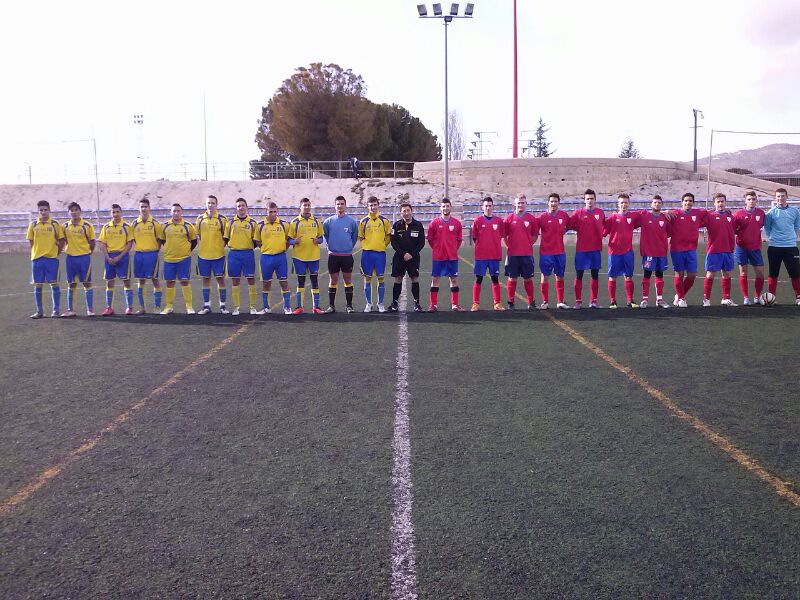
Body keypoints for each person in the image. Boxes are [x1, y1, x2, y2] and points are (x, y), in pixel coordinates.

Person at [668, 192, 708, 308]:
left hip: (691, 249)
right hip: (676, 249)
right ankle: (681, 299)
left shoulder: (698, 213)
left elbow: (710, 212)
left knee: (692, 275)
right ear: (682, 202)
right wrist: (665, 212)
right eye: (685, 201)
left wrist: (727, 212)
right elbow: (663, 215)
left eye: (690, 201)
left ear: (693, 203)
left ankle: (679, 295)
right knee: (679, 273)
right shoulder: (675, 213)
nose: (688, 203)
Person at [27, 200, 65, 319]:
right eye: (41, 210)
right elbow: (31, 241)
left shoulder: (55, 224)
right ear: (38, 211)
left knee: (54, 284)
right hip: (37, 259)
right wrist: (37, 252)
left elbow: (61, 240)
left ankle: (56, 311)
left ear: (49, 210)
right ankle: (39, 311)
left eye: (45, 210)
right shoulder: (33, 225)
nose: (43, 212)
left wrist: (56, 253)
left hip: (51, 259)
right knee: (38, 285)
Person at [567, 189, 605, 308]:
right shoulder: (577, 213)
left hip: (595, 249)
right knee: (579, 275)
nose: (590, 201)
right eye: (587, 199)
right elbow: (569, 226)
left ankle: (593, 301)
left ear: (595, 200)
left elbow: (605, 225)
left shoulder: (600, 212)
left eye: (592, 198)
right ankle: (578, 301)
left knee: (595, 275)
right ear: (584, 200)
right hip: (581, 250)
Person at [603, 193, 641, 308]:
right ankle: (613, 301)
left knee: (628, 276)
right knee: (612, 276)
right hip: (614, 252)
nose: (624, 205)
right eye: (621, 203)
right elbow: (603, 232)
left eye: (626, 203)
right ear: (618, 204)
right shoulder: (612, 218)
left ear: (629, 204)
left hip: (628, 252)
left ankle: (630, 300)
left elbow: (646, 214)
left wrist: (664, 212)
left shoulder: (633, 216)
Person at [763, 187, 800, 304]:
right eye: (778, 196)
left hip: (791, 247)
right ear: (775, 198)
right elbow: (767, 229)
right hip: (774, 247)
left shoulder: (795, 211)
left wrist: (789, 237)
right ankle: (771, 298)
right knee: (773, 273)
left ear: (786, 197)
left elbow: (796, 226)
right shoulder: (770, 213)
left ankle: (798, 297)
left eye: (782, 196)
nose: (780, 198)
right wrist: (774, 238)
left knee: (795, 273)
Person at [288, 197, 324, 314]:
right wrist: (294, 242)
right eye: (305, 205)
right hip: (299, 257)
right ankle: (299, 307)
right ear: (300, 207)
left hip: (314, 257)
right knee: (300, 281)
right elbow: (289, 240)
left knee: (314, 281)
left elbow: (321, 238)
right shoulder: (294, 222)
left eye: (308, 205)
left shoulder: (317, 221)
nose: (307, 207)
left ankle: (316, 307)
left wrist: (317, 241)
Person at [322, 195, 358, 313]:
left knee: (347, 280)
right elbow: (326, 236)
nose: (340, 206)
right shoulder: (328, 222)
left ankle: (349, 306)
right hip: (333, 256)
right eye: (338, 204)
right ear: (335, 206)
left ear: (346, 206)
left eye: (342, 204)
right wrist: (331, 248)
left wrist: (347, 248)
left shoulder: (352, 222)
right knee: (333, 281)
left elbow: (354, 238)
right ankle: (331, 306)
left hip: (347, 256)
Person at [503, 193, 539, 310]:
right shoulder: (508, 218)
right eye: (518, 203)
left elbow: (534, 235)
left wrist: (528, 244)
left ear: (526, 204)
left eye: (522, 203)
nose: (520, 205)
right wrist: (511, 246)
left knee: (528, 278)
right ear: (515, 204)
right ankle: (511, 302)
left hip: (527, 254)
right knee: (512, 278)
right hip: (512, 254)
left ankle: (530, 302)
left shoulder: (531, 219)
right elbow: (504, 236)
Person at [255, 202, 293, 315]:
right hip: (266, 258)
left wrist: (282, 249)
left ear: (277, 212)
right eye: (270, 212)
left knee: (283, 282)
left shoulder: (284, 225)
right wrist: (266, 249)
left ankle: (287, 307)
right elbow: (258, 242)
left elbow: (288, 240)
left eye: (274, 212)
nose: (272, 214)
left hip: (280, 258)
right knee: (266, 283)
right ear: (266, 211)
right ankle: (266, 307)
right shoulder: (260, 225)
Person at [427, 198, 463, 311]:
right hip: (438, 257)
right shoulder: (434, 223)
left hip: (452, 257)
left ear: (450, 207)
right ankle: (433, 305)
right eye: (443, 206)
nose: (445, 208)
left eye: (447, 206)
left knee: (453, 279)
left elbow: (459, 240)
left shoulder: (457, 223)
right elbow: (430, 240)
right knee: (435, 279)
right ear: (440, 208)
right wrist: (437, 249)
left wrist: (452, 249)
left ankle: (455, 305)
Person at [224, 198, 259, 315]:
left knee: (251, 279)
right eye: (239, 206)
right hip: (234, 254)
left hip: (248, 254)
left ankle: (253, 307)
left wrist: (247, 247)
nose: (241, 208)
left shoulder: (252, 223)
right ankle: (236, 307)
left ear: (246, 207)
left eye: (243, 205)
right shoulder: (230, 223)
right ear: (236, 208)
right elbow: (226, 239)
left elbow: (255, 240)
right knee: (235, 280)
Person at [701, 193, 737, 307]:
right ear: (714, 203)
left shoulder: (730, 216)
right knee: (710, 274)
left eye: (722, 201)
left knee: (727, 274)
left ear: (725, 202)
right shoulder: (709, 216)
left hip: (727, 250)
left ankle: (725, 298)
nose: (720, 203)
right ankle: (706, 299)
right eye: (718, 201)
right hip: (714, 250)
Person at [470, 196, 505, 311]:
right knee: (479, 278)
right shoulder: (477, 221)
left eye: (490, 206)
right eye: (486, 206)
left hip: (494, 255)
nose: (488, 208)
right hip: (481, 256)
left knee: (495, 279)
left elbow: (501, 235)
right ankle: (475, 303)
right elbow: (474, 237)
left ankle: (497, 303)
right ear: (482, 207)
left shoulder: (499, 221)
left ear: (493, 207)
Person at [98, 203, 134, 316]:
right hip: (109, 257)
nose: (116, 214)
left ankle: (129, 307)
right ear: (110, 213)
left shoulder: (126, 226)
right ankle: (109, 307)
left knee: (126, 281)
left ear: (121, 213)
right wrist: (107, 257)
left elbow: (129, 244)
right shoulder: (106, 227)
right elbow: (102, 243)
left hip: (122, 257)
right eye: (113, 212)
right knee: (109, 282)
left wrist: (120, 256)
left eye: (118, 212)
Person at [160, 203, 196, 314]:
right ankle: (169, 306)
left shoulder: (188, 226)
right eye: (174, 211)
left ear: (181, 212)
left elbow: (194, 241)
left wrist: (186, 251)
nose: (176, 213)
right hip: (169, 259)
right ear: (171, 212)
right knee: (169, 283)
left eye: (178, 211)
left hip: (183, 259)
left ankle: (189, 307)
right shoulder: (165, 226)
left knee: (185, 282)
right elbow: (162, 240)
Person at [358, 196, 392, 313]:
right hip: (367, 254)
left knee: (381, 278)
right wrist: (369, 246)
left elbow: (388, 237)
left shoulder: (384, 221)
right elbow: (361, 237)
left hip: (380, 254)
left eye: (374, 205)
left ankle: (380, 303)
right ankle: (368, 304)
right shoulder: (363, 221)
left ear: (378, 205)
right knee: (367, 279)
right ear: (367, 207)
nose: (373, 207)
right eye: (370, 205)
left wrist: (381, 246)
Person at [388, 202, 425, 312]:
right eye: (404, 211)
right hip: (400, 257)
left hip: (413, 258)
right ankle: (394, 303)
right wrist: (403, 254)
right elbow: (393, 242)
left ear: (411, 211)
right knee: (398, 279)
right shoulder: (396, 225)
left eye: (408, 210)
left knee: (414, 278)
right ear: (400, 213)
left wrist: (411, 254)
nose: (406, 213)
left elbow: (421, 243)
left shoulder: (418, 225)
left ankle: (417, 304)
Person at [537, 193, 570, 309]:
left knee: (560, 276)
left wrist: (562, 232)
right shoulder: (541, 217)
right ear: (548, 203)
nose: (553, 203)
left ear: (558, 203)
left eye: (555, 201)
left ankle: (560, 301)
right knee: (545, 276)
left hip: (560, 252)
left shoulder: (564, 215)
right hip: (546, 252)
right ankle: (545, 302)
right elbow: (535, 229)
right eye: (551, 201)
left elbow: (568, 226)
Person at [196, 195, 229, 314]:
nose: (210, 205)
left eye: (213, 203)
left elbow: (226, 237)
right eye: (209, 203)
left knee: (220, 280)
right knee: (205, 280)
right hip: (203, 256)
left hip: (218, 256)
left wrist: (219, 247)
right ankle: (206, 306)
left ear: (216, 204)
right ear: (206, 204)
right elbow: (198, 235)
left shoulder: (222, 219)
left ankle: (223, 306)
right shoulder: (200, 219)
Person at [62, 202, 95, 317]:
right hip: (70, 258)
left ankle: (90, 310)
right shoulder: (65, 226)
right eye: (72, 210)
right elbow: (63, 240)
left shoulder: (87, 225)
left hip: (84, 258)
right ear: (69, 212)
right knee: (71, 284)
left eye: (76, 210)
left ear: (80, 211)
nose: (74, 212)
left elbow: (92, 242)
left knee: (87, 283)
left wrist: (87, 252)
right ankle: (71, 310)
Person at [131, 198, 163, 314]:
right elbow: (132, 240)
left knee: (155, 280)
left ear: (149, 208)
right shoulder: (134, 223)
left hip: (152, 254)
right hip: (139, 255)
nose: (143, 209)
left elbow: (160, 239)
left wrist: (155, 251)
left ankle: (157, 307)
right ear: (139, 209)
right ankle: (142, 307)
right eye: (141, 207)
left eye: (145, 206)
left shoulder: (155, 223)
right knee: (141, 281)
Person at [637, 195, 671, 308]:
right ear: (651, 204)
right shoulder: (644, 216)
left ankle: (659, 300)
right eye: (655, 202)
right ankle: (645, 300)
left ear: (662, 205)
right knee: (647, 275)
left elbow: (669, 233)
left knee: (659, 275)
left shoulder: (666, 218)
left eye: (659, 203)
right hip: (648, 253)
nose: (657, 204)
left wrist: (667, 212)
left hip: (661, 252)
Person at [733, 191, 766, 305]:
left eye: (753, 199)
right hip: (741, 247)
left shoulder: (761, 213)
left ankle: (757, 297)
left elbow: (760, 226)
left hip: (755, 247)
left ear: (756, 200)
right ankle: (746, 298)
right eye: (749, 199)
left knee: (760, 273)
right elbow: (732, 229)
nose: (751, 201)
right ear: (745, 201)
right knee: (743, 272)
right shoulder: (738, 214)